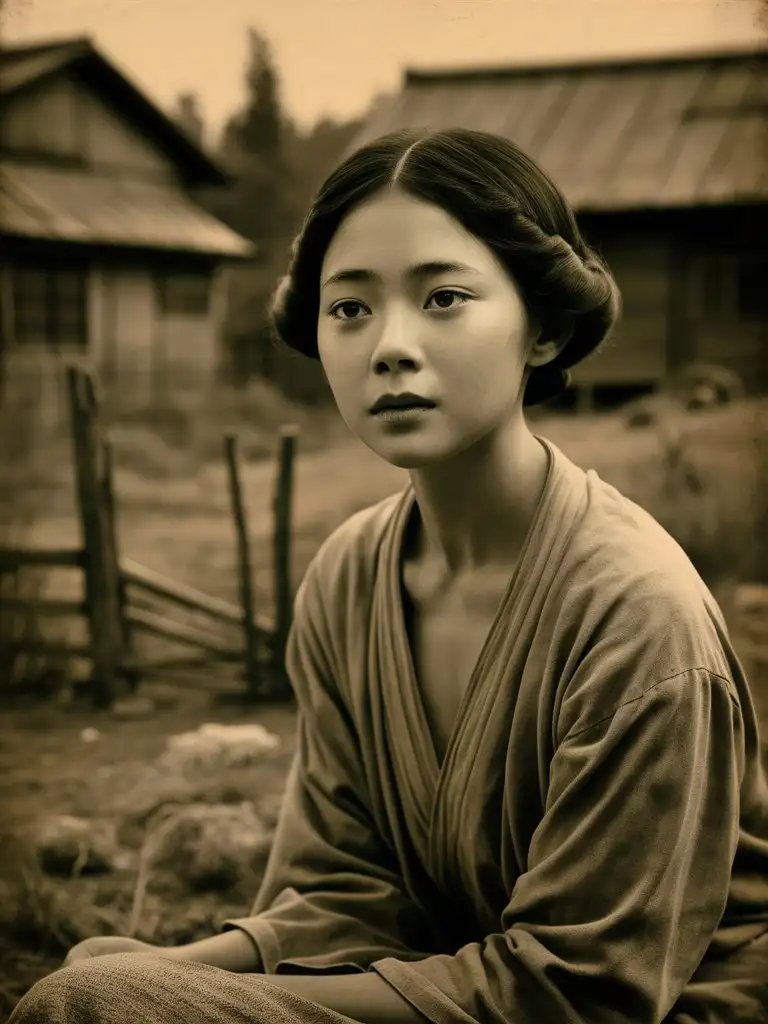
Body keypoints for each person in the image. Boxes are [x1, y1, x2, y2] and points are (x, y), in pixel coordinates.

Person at [9, 127, 768, 1024]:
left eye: (443, 298)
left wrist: (191, 997)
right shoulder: (347, 579)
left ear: (544, 329)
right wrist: (186, 962)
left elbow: (580, 990)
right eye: (350, 308)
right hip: (458, 987)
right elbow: (351, 889)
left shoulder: (637, 619)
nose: (389, 348)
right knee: (104, 974)